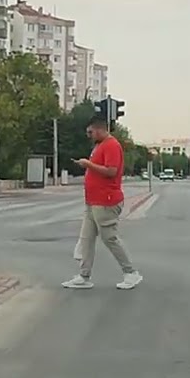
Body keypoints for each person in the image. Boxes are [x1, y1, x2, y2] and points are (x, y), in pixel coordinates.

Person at [62, 116, 143, 290]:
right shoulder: (99, 146)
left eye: (90, 132)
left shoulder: (111, 145)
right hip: (93, 201)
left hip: (106, 200)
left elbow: (111, 171)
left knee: (109, 237)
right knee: (86, 238)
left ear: (99, 129)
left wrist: (88, 165)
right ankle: (84, 275)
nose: (89, 135)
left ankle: (131, 272)